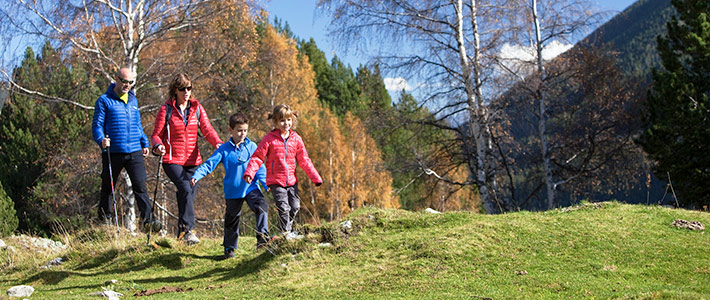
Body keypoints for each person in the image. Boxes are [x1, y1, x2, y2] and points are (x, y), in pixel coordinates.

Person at [150, 73, 223, 245]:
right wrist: (158, 146)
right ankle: (189, 230)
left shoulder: (197, 108)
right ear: (175, 90)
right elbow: (155, 135)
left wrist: (218, 144)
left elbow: (207, 130)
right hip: (171, 159)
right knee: (184, 186)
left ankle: (181, 234)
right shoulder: (166, 109)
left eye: (189, 88)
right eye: (182, 89)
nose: (186, 92)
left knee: (188, 194)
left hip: (193, 160)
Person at [191, 112, 274, 258]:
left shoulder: (252, 146)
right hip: (233, 190)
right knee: (232, 219)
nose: (242, 134)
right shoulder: (224, 149)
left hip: (251, 187)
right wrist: (197, 176)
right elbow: (209, 164)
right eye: (239, 130)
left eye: (245, 130)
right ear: (231, 130)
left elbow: (259, 166)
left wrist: (265, 183)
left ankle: (262, 239)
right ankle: (229, 248)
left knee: (262, 207)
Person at [92, 67, 160, 231]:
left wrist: (144, 142)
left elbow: (137, 124)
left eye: (130, 82)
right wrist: (101, 139)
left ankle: (149, 221)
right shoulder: (104, 100)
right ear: (117, 79)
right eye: (124, 81)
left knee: (140, 185)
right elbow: (97, 125)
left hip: (134, 150)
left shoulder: (133, 100)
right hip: (113, 150)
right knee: (108, 185)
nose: (127, 85)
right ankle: (105, 219)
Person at [244, 104, 322, 239]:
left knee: (295, 207)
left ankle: (286, 229)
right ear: (275, 122)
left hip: (292, 181)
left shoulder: (296, 139)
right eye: (282, 120)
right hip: (276, 181)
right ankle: (285, 234)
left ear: (292, 120)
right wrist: (250, 172)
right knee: (284, 208)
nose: (286, 123)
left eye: (288, 120)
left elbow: (304, 160)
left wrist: (315, 177)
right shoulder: (270, 139)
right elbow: (258, 157)